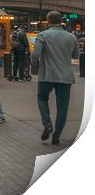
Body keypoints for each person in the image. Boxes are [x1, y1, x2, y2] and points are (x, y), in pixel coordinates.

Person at [31, 11, 81, 145]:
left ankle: (47, 123)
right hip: (65, 76)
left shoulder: (42, 35)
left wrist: (34, 67)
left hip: (47, 74)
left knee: (42, 98)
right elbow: (76, 56)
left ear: (48, 21)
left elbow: (35, 55)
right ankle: (56, 136)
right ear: (61, 21)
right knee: (62, 107)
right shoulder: (71, 37)